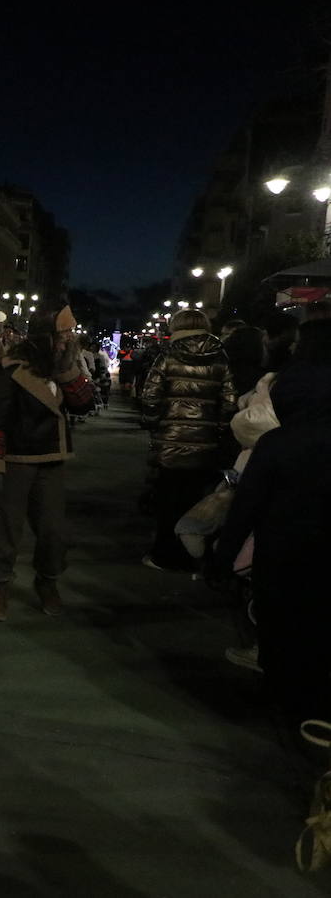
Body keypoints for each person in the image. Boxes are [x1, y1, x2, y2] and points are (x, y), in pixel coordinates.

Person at [214, 320, 331, 726]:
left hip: (282, 550)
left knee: (282, 625)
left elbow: (247, 507)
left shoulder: (279, 444)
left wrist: (222, 557)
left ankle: (282, 695)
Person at [0, 305, 94, 620]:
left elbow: (85, 404)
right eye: (63, 333)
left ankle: (47, 582)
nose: (69, 338)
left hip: (52, 459)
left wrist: (67, 370)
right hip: (14, 459)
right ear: (47, 336)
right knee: (5, 531)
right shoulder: (9, 370)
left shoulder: (63, 366)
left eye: (70, 332)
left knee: (53, 531)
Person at [138, 309, 235, 572]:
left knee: (168, 499)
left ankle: (164, 555)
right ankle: (191, 555)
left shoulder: (168, 355)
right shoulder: (220, 356)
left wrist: (154, 421)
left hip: (170, 441)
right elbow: (228, 401)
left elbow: (150, 395)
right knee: (195, 500)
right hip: (205, 444)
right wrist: (219, 429)